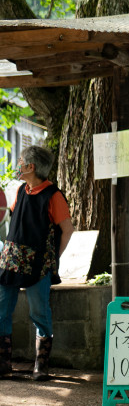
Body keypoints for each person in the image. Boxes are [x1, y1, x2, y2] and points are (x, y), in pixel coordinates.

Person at [0, 146, 75, 381]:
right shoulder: (22, 190)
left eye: (21, 161)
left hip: (38, 264)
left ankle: (41, 366)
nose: (18, 165)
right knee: (2, 309)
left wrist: (54, 258)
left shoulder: (53, 195)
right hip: (10, 261)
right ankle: (3, 364)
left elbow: (67, 229)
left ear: (31, 167)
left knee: (39, 312)